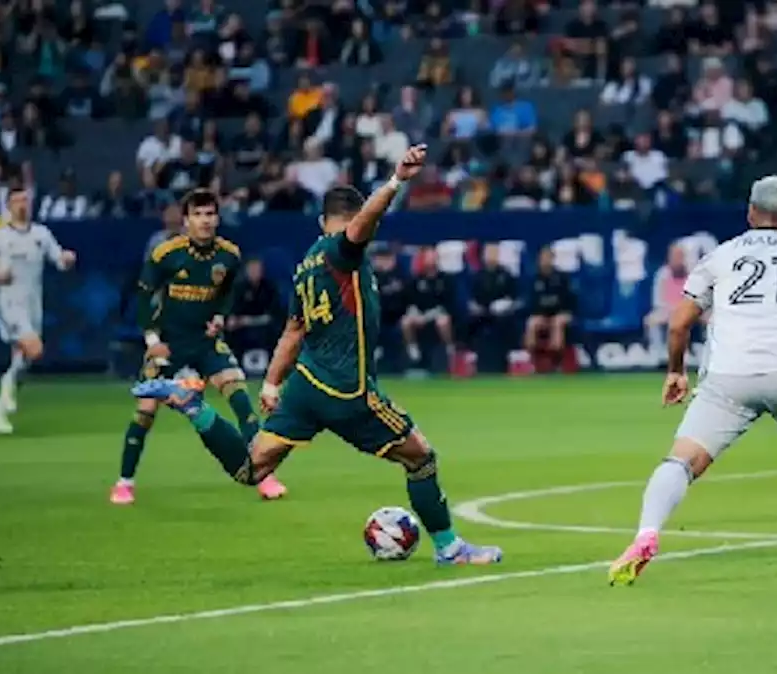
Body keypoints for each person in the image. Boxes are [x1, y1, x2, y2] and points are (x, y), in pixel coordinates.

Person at [131, 146, 503, 565]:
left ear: (320, 221)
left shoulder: (306, 264)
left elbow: (293, 331)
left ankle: (195, 408)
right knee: (421, 457)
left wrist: (271, 383)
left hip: (304, 387)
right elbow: (362, 225)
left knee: (251, 469)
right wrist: (397, 180)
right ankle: (449, 548)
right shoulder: (342, 252)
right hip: (346, 389)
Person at [608, 175, 777, 586]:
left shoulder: (720, 256)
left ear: (750, 213)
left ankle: (646, 533)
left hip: (728, 377)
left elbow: (679, 323)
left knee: (682, 460)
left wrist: (675, 372)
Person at [112, 189, 286, 505]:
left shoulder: (229, 255)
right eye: (198, 214)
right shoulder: (166, 254)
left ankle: (264, 475)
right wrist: (153, 341)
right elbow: (142, 295)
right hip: (170, 345)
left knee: (241, 397)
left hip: (206, 343)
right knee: (146, 411)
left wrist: (220, 315)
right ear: (186, 219)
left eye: (210, 214)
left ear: (217, 218)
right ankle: (124, 482)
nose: (205, 221)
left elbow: (229, 291)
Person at [0, 186, 77, 434]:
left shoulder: (41, 234)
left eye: (25, 200)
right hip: (8, 302)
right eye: (16, 201)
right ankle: (6, 392)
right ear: (8, 207)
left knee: (25, 360)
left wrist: (66, 259)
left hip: (32, 303)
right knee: (34, 348)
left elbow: (58, 259)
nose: (22, 205)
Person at [400, 248, 455, 368]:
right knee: (405, 322)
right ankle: (412, 349)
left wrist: (428, 316)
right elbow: (410, 301)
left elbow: (447, 303)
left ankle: (449, 349)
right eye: (428, 257)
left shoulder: (445, 279)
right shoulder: (416, 280)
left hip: (437, 314)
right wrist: (416, 314)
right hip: (419, 315)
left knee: (443, 321)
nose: (430, 261)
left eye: (433, 257)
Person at [524, 247, 576, 355]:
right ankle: (532, 356)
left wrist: (562, 312)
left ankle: (556, 355)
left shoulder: (562, 278)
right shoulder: (534, 279)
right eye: (542, 258)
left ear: (553, 259)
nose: (545, 261)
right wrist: (539, 313)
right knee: (531, 323)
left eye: (548, 258)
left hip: (561, 314)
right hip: (542, 314)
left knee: (557, 323)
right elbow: (532, 301)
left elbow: (569, 299)